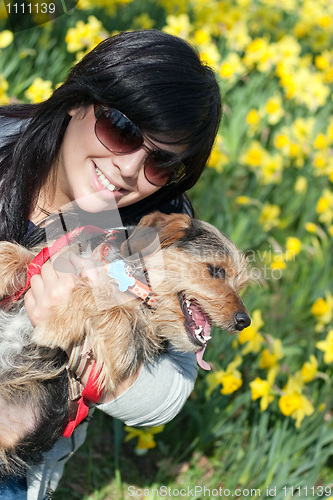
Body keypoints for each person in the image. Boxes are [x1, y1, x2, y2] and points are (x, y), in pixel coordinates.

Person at [0, 29, 222, 499]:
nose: (128, 169)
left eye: (160, 163)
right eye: (120, 128)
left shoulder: (151, 235)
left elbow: (167, 395)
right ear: (77, 102)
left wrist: (89, 337)